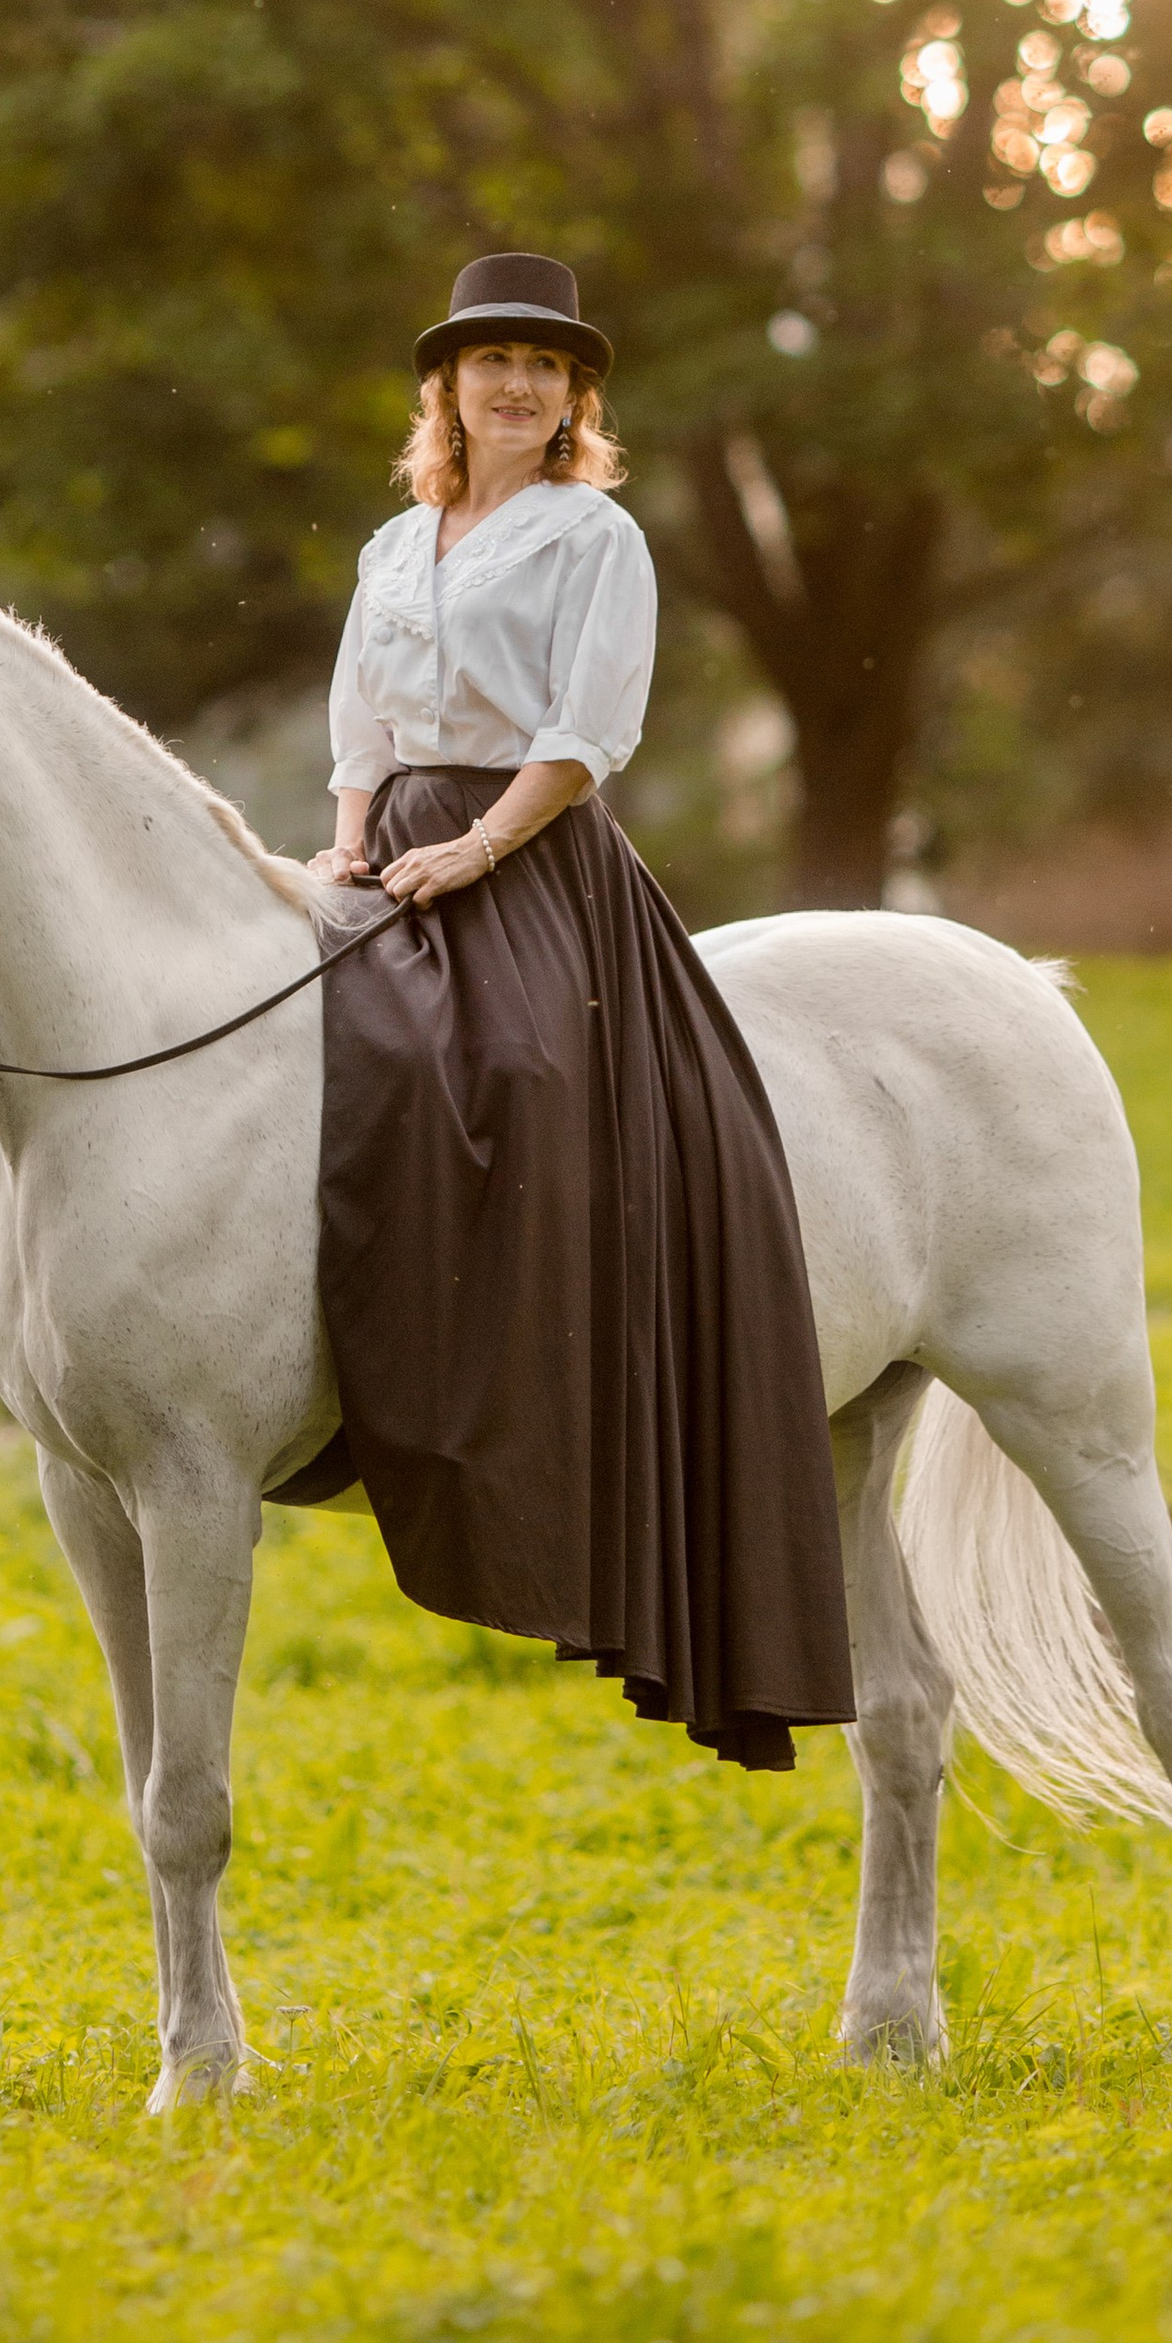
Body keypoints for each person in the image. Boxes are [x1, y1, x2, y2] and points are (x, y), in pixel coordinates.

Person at [295, 251, 852, 1772]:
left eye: (546, 368)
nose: (519, 386)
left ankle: (521, 1393)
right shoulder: (392, 544)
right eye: (493, 364)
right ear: (450, 391)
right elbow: (359, 717)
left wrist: (474, 847)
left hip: (532, 854)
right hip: (393, 833)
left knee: (526, 1072)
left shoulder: (594, 536)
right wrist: (349, 839)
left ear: (574, 401)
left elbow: (588, 729)